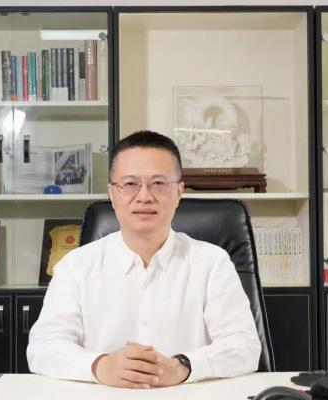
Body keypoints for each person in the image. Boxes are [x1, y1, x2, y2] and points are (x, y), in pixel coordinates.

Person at [27, 130, 261, 388]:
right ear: (112, 194)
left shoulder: (212, 263)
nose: (145, 196)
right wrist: (99, 366)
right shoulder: (76, 266)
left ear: (179, 192)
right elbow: (43, 347)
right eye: (130, 184)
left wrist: (183, 366)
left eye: (159, 183)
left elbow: (244, 346)